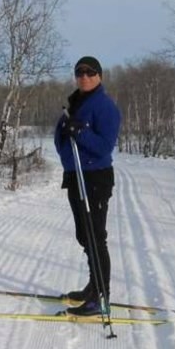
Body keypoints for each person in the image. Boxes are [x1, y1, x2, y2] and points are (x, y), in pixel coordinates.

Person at [54, 56, 122, 316]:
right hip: (76, 175)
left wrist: (80, 131)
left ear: (99, 76)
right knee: (85, 236)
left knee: (95, 237)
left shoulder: (104, 106)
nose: (84, 77)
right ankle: (93, 286)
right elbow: (63, 137)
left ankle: (100, 297)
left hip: (94, 177)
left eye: (90, 72)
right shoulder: (76, 101)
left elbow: (105, 146)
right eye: (79, 72)